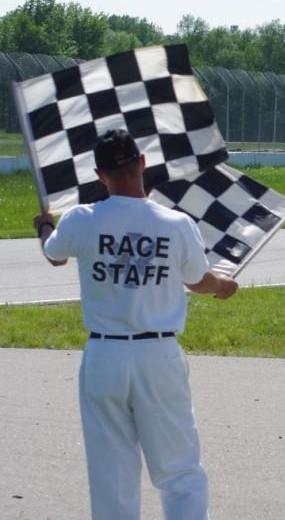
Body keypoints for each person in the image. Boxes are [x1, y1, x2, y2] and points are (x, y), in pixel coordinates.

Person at [33, 129, 238, 520]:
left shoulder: (81, 219)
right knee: (178, 467)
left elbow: (53, 253)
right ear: (141, 163)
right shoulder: (175, 224)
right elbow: (198, 280)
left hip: (104, 353)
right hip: (158, 353)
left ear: (100, 175)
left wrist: (44, 224)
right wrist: (223, 286)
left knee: (111, 471)